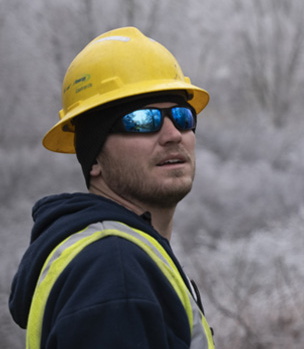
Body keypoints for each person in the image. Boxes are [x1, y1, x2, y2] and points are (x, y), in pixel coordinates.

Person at [9, 26, 215, 349]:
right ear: (94, 160)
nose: (173, 134)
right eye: (142, 120)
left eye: (182, 116)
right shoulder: (112, 273)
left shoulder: (112, 258)